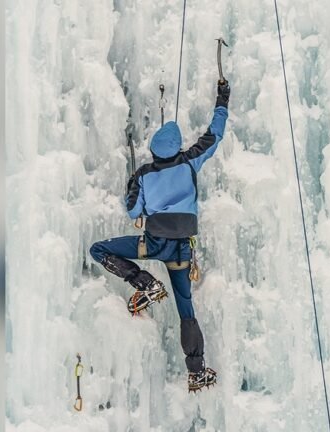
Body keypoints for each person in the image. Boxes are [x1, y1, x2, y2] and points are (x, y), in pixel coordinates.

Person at [89, 80, 230, 392]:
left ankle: (145, 283)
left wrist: (133, 187)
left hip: (152, 244)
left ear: (153, 151)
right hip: (181, 252)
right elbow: (214, 135)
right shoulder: (190, 160)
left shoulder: (144, 174)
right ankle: (197, 372)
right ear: (177, 148)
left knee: (99, 249)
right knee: (186, 311)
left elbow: (132, 211)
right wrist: (223, 99)